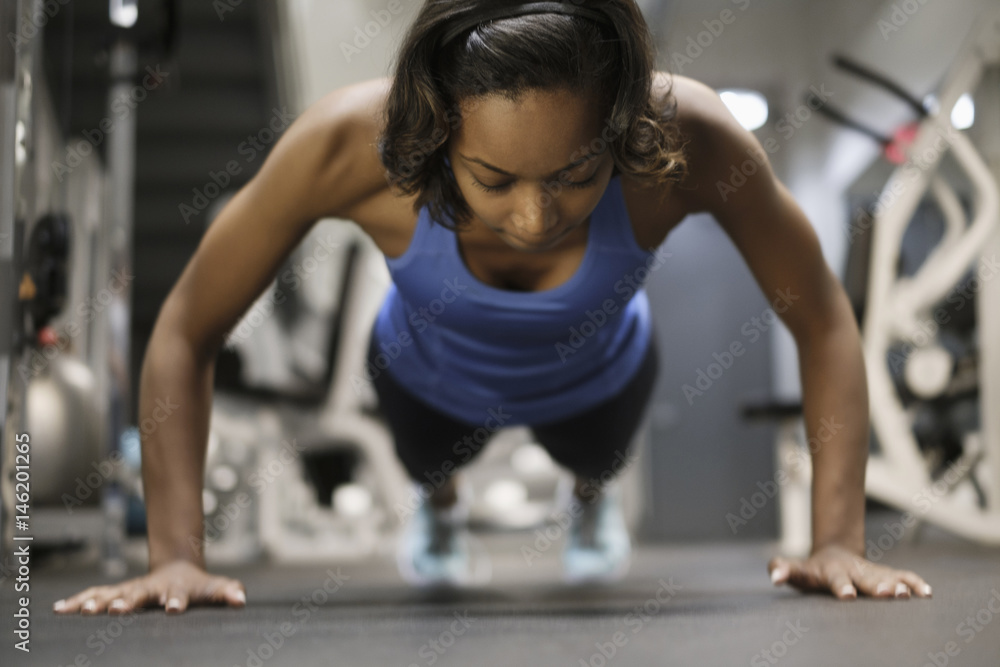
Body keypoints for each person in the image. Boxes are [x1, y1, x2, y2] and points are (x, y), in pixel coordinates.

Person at [53, 0, 932, 615]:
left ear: (622, 131)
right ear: (437, 132)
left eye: (576, 175)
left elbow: (819, 315)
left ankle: (590, 495)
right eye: (494, 179)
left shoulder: (687, 138)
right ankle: (439, 504)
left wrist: (836, 539)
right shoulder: (348, 145)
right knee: (433, 457)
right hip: (423, 382)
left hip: (602, 380)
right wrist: (174, 555)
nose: (533, 217)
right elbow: (187, 328)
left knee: (597, 450)